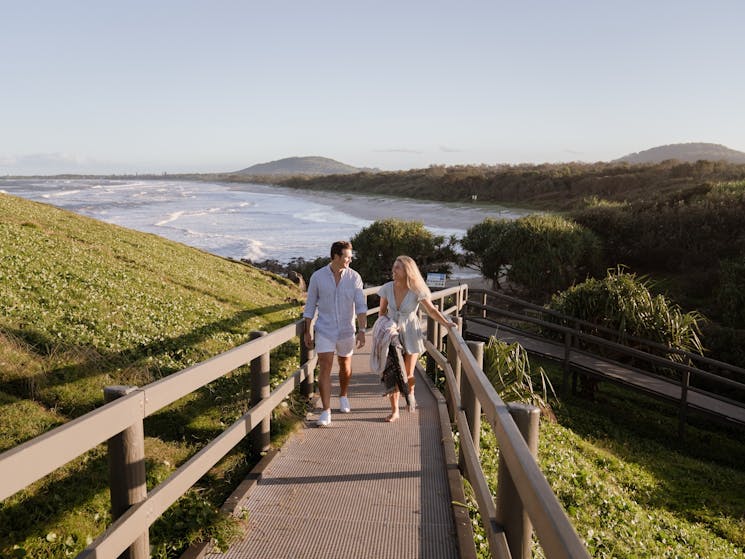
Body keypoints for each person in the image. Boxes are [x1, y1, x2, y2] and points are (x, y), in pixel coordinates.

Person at [377, 255, 455, 422]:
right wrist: (385, 327)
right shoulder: (386, 288)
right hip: (392, 333)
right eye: (394, 266)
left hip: (411, 332)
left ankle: (410, 392)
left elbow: (431, 310)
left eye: (397, 268)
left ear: (407, 271)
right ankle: (394, 410)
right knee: (393, 372)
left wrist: (446, 324)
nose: (393, 270)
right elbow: (382, 312)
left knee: (408, 373)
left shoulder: (416, 291)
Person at [303, 240, 368, 427]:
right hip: (324, 329)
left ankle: (344, 395)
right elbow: (310, 306)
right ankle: (326, 411)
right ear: (336, 256)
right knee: (325, 366)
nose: (349, 260)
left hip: (347, 330)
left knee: (345, 366)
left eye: (350, 257)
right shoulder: (317, 277)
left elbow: (361, 306)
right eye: (347, 257)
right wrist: (307, 330)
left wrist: (362, 330)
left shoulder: (354, 277)